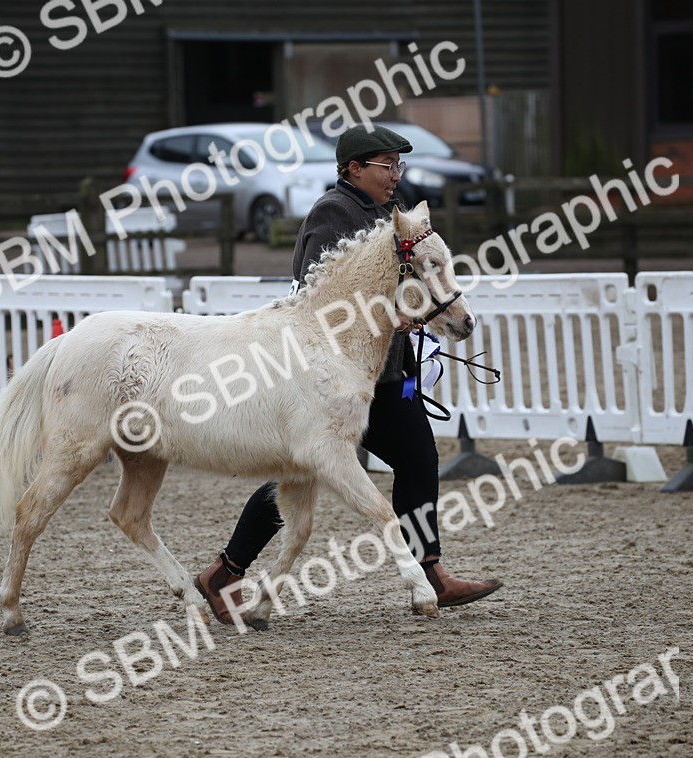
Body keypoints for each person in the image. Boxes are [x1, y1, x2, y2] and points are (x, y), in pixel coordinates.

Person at [196, 124, 502, 624]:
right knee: (299, 473)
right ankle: (226, 570)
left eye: (398, 166)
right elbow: (315, 293)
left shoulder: (392, 216)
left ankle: (430, 570)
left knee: (416, 457)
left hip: (385, 374)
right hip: (333, 379)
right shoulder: (333, 212)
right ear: (354, 169)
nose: (395, 175)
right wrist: (389, 314)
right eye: (387, 166)